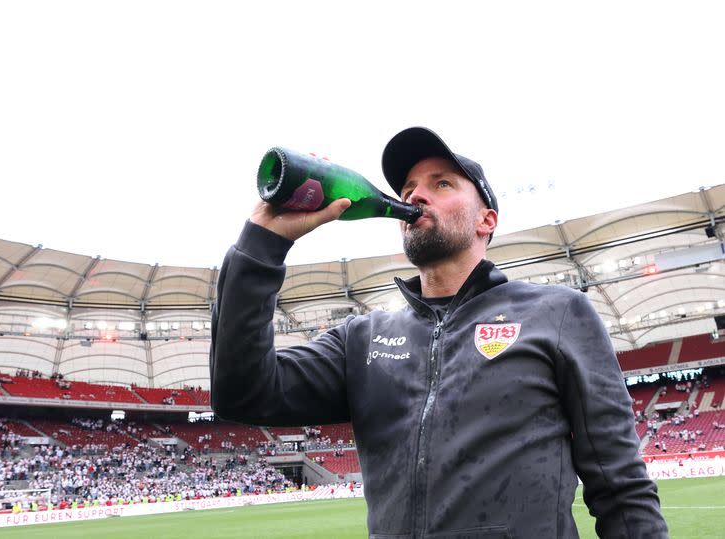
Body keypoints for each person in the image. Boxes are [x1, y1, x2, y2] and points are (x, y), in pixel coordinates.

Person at [210, 127, 668, 538]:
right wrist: (263, 242)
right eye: (408, 188)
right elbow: (242, 393)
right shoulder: (362, 339)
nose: (416, 196)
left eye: (441, 184)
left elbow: (621, 487)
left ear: (486, 220)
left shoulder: (558, 313)